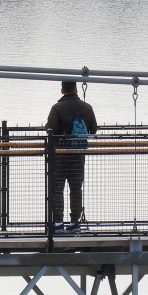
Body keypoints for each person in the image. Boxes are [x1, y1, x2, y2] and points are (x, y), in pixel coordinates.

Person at [46, 79, 98, 232]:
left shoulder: (57, 108)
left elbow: (51, 130)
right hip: (78, 154)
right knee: (76, 189)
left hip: (60, 155)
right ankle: (75, 223)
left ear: (62, 90)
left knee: (57, 189)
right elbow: (93, 130)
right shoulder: (87, 108)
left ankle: (57, 223)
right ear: (76, 89)